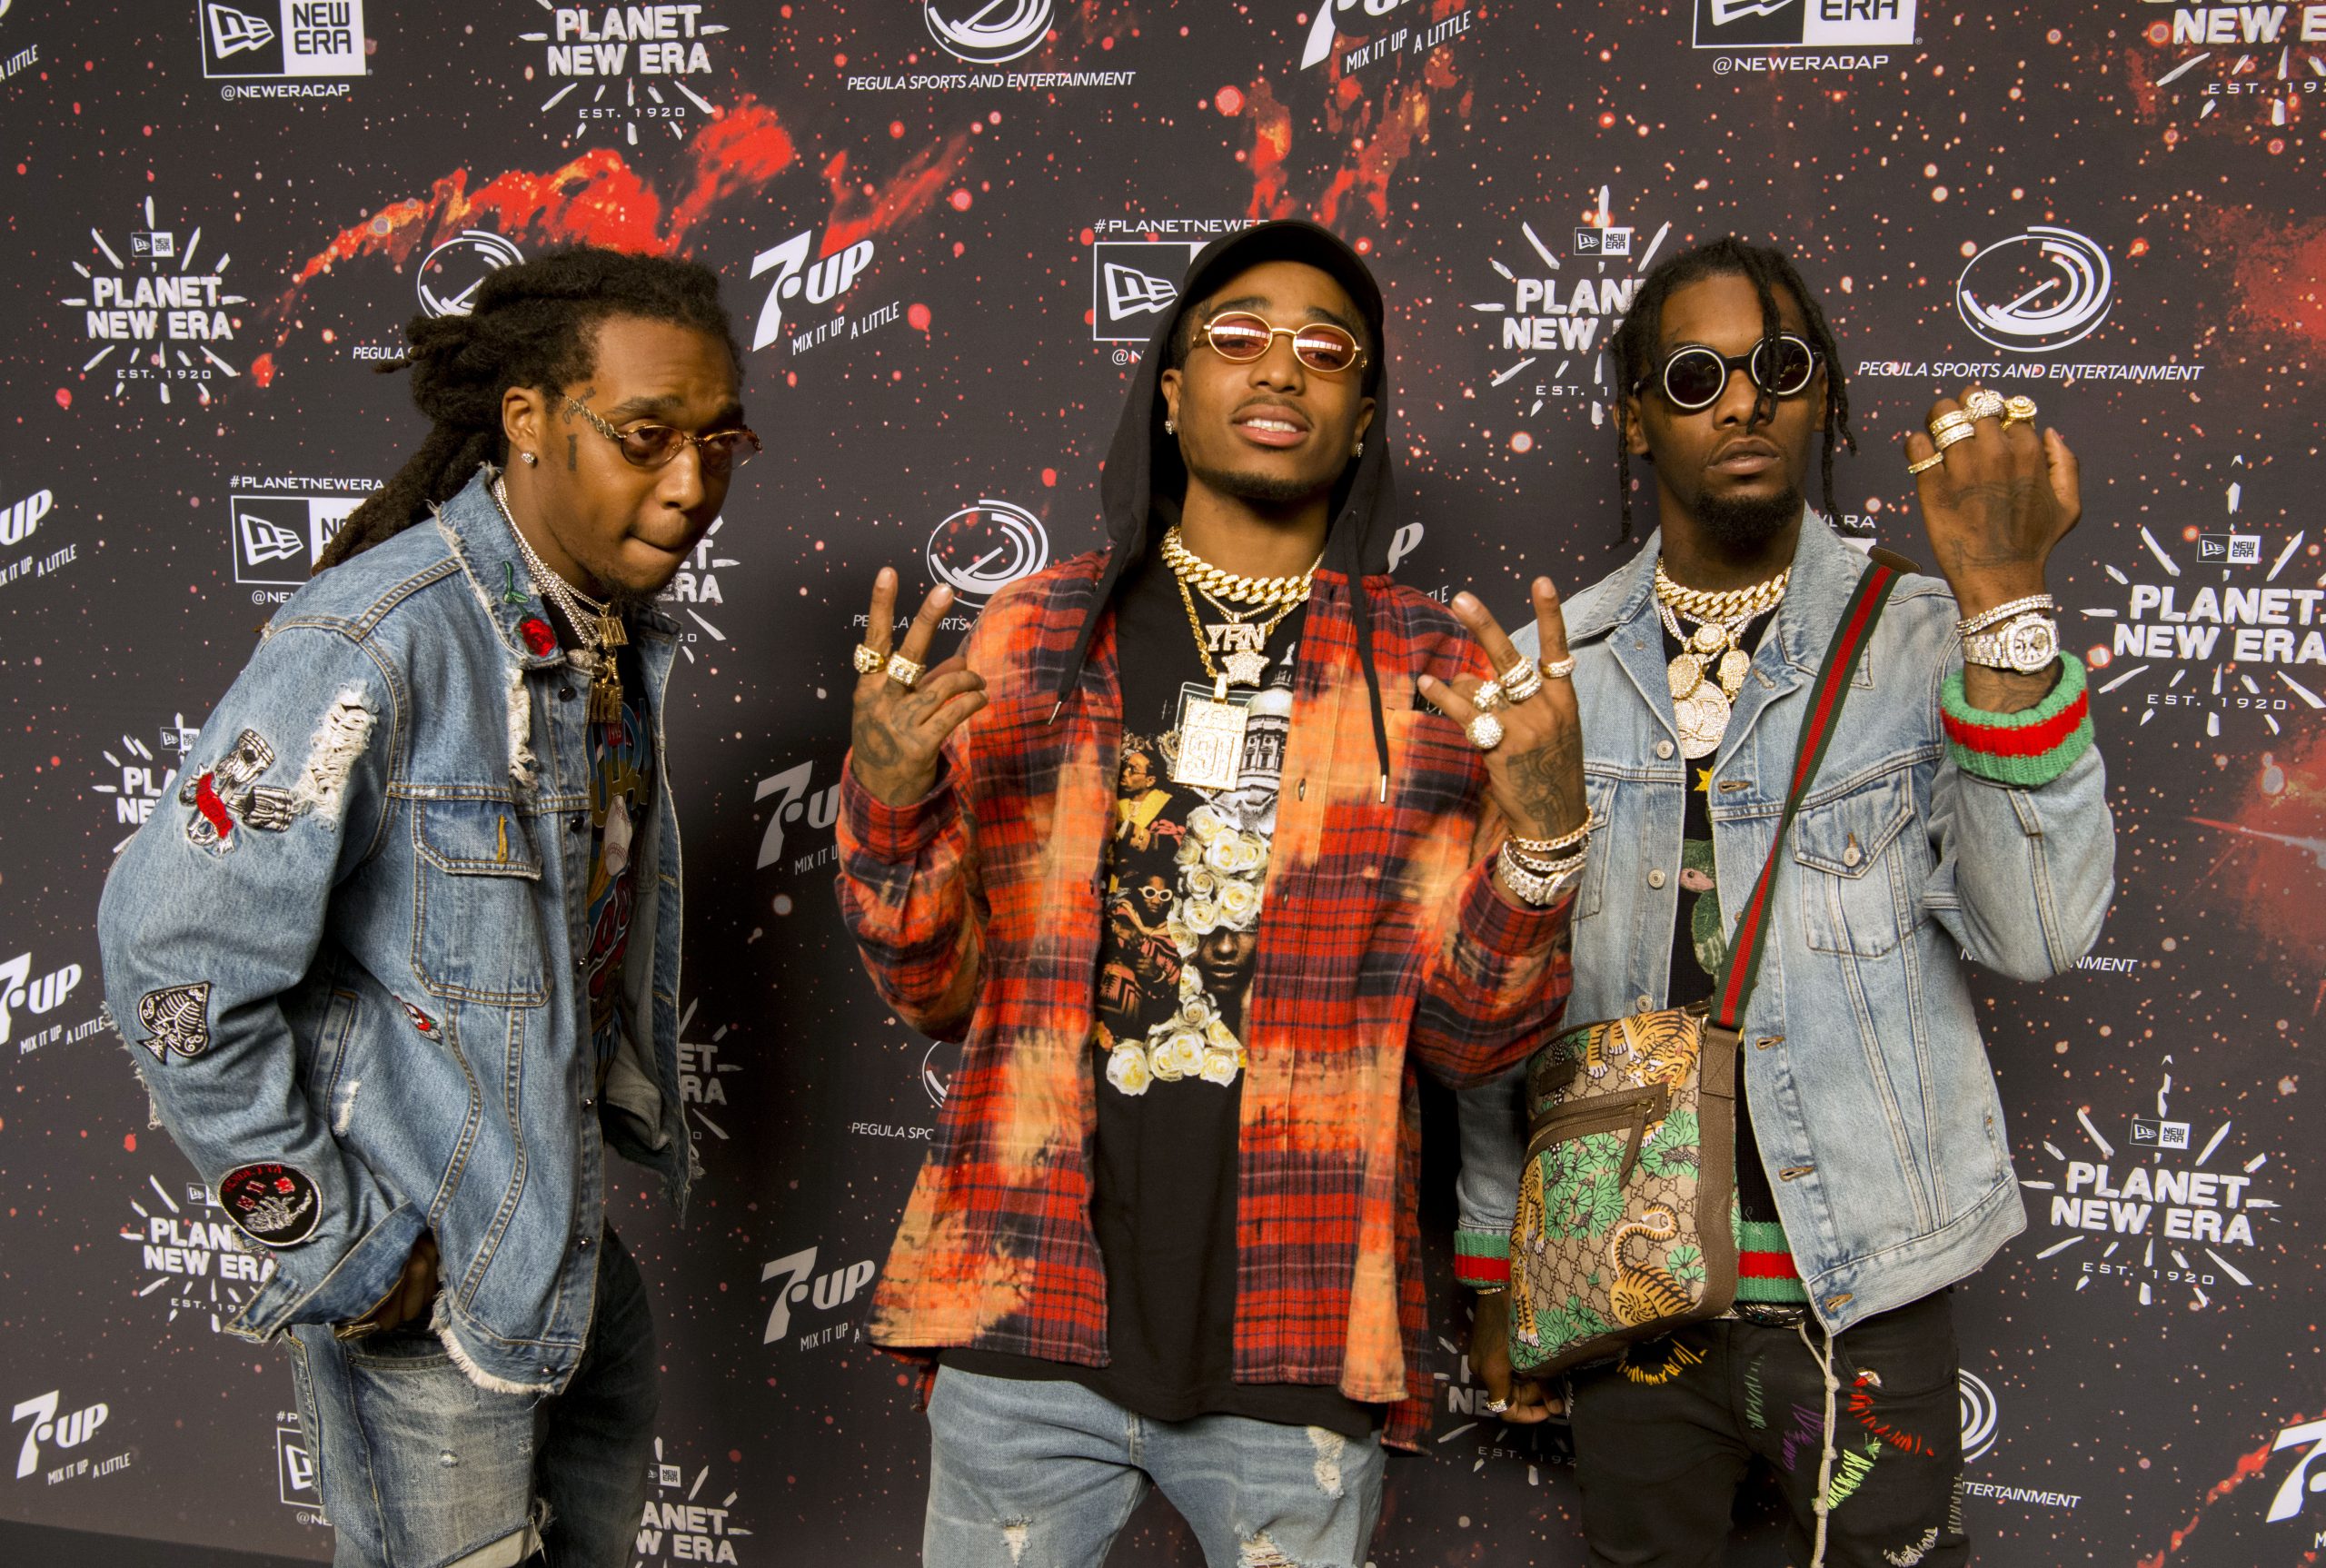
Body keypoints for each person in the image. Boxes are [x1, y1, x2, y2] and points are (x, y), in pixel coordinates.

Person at [834, 220, 1589, 1568]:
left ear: (1365, 417)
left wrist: (1544, 836)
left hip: (1295, 1314)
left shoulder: (1430, 672)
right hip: (1024, 1292)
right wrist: (890, 798)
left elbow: (1471, 1040)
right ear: (1172, 394)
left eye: (1326, 350)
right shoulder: (1031, 635)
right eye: (1238, 337)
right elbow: (936, 992)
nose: (1281, 369)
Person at [1455, 237, 2113, 1568]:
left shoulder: (1931, 636)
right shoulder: (1550, 669)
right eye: (1696, 377)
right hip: (1626, 1288)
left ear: (1827, 401)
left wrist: (2006, 606)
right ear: (1637, 418)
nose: (1744, 401)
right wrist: (1493, 1259)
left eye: (1780, 367)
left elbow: (2041, 933)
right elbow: (1507, 1007)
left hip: (1868, 1280)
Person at [96, 249, 755, 1568]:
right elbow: (168, 959)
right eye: (645, 437)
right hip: (434, 1304)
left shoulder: (601, 632)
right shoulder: (380, 642)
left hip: (567, 1260)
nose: (692, 486)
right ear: (527, 419)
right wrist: (331, 1237)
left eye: (718, 441)